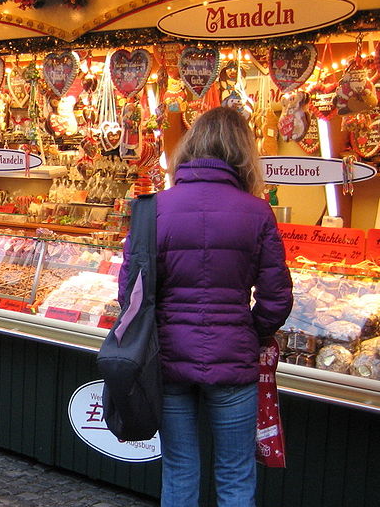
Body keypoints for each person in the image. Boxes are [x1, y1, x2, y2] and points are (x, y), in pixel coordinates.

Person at [118, 106, 293, 507]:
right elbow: (277, 297)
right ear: (243, 153)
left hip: (168, 358)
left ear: (190, 147)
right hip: (234, 360)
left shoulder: (152, 208)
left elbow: (130, 293)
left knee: (179, 468)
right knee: (235, 474)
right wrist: (253, 331)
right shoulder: (257, 212)